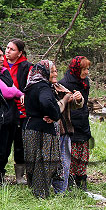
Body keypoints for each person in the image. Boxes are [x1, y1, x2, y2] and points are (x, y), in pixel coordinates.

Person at [22, 60, 80, 198]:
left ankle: (37, 192)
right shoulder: (43, 87)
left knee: (34, 163)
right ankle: (41, 195)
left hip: (30, 128)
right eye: (52, 70)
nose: (54, 73)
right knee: (44, 163)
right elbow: (47, 103)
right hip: (42, 131)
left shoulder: (30, 85)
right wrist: (55, 113)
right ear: (44, 72)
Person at [0, 45, 23, 186]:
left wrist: (18, 92)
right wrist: (18, 93)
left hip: (11, 116)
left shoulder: (5, 72)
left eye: (2, 56)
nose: (2, 59)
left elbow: (14, 89)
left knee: (7, 150)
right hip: (0, 117)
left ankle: (0, 177)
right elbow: (6, 92)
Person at [60, 56, 93, 190]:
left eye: (87, 69)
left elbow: (85, 102)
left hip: (83, 121)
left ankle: (82, 181)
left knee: (83, 153)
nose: (86, 72)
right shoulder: (65, 83)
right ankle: (70, 182)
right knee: (71, 153)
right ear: (76, 69)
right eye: (84, 69)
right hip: (71, 123)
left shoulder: (85, 82)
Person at [3, 39, 32, 185]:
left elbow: (29, 86)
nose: (8, 51)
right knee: (4, 142)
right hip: (5, 108)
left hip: (22, 110)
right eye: (7, 48)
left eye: (12, 49)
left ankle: (20, 176)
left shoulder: (26, 66)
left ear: (20, 53)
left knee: (20, 144)